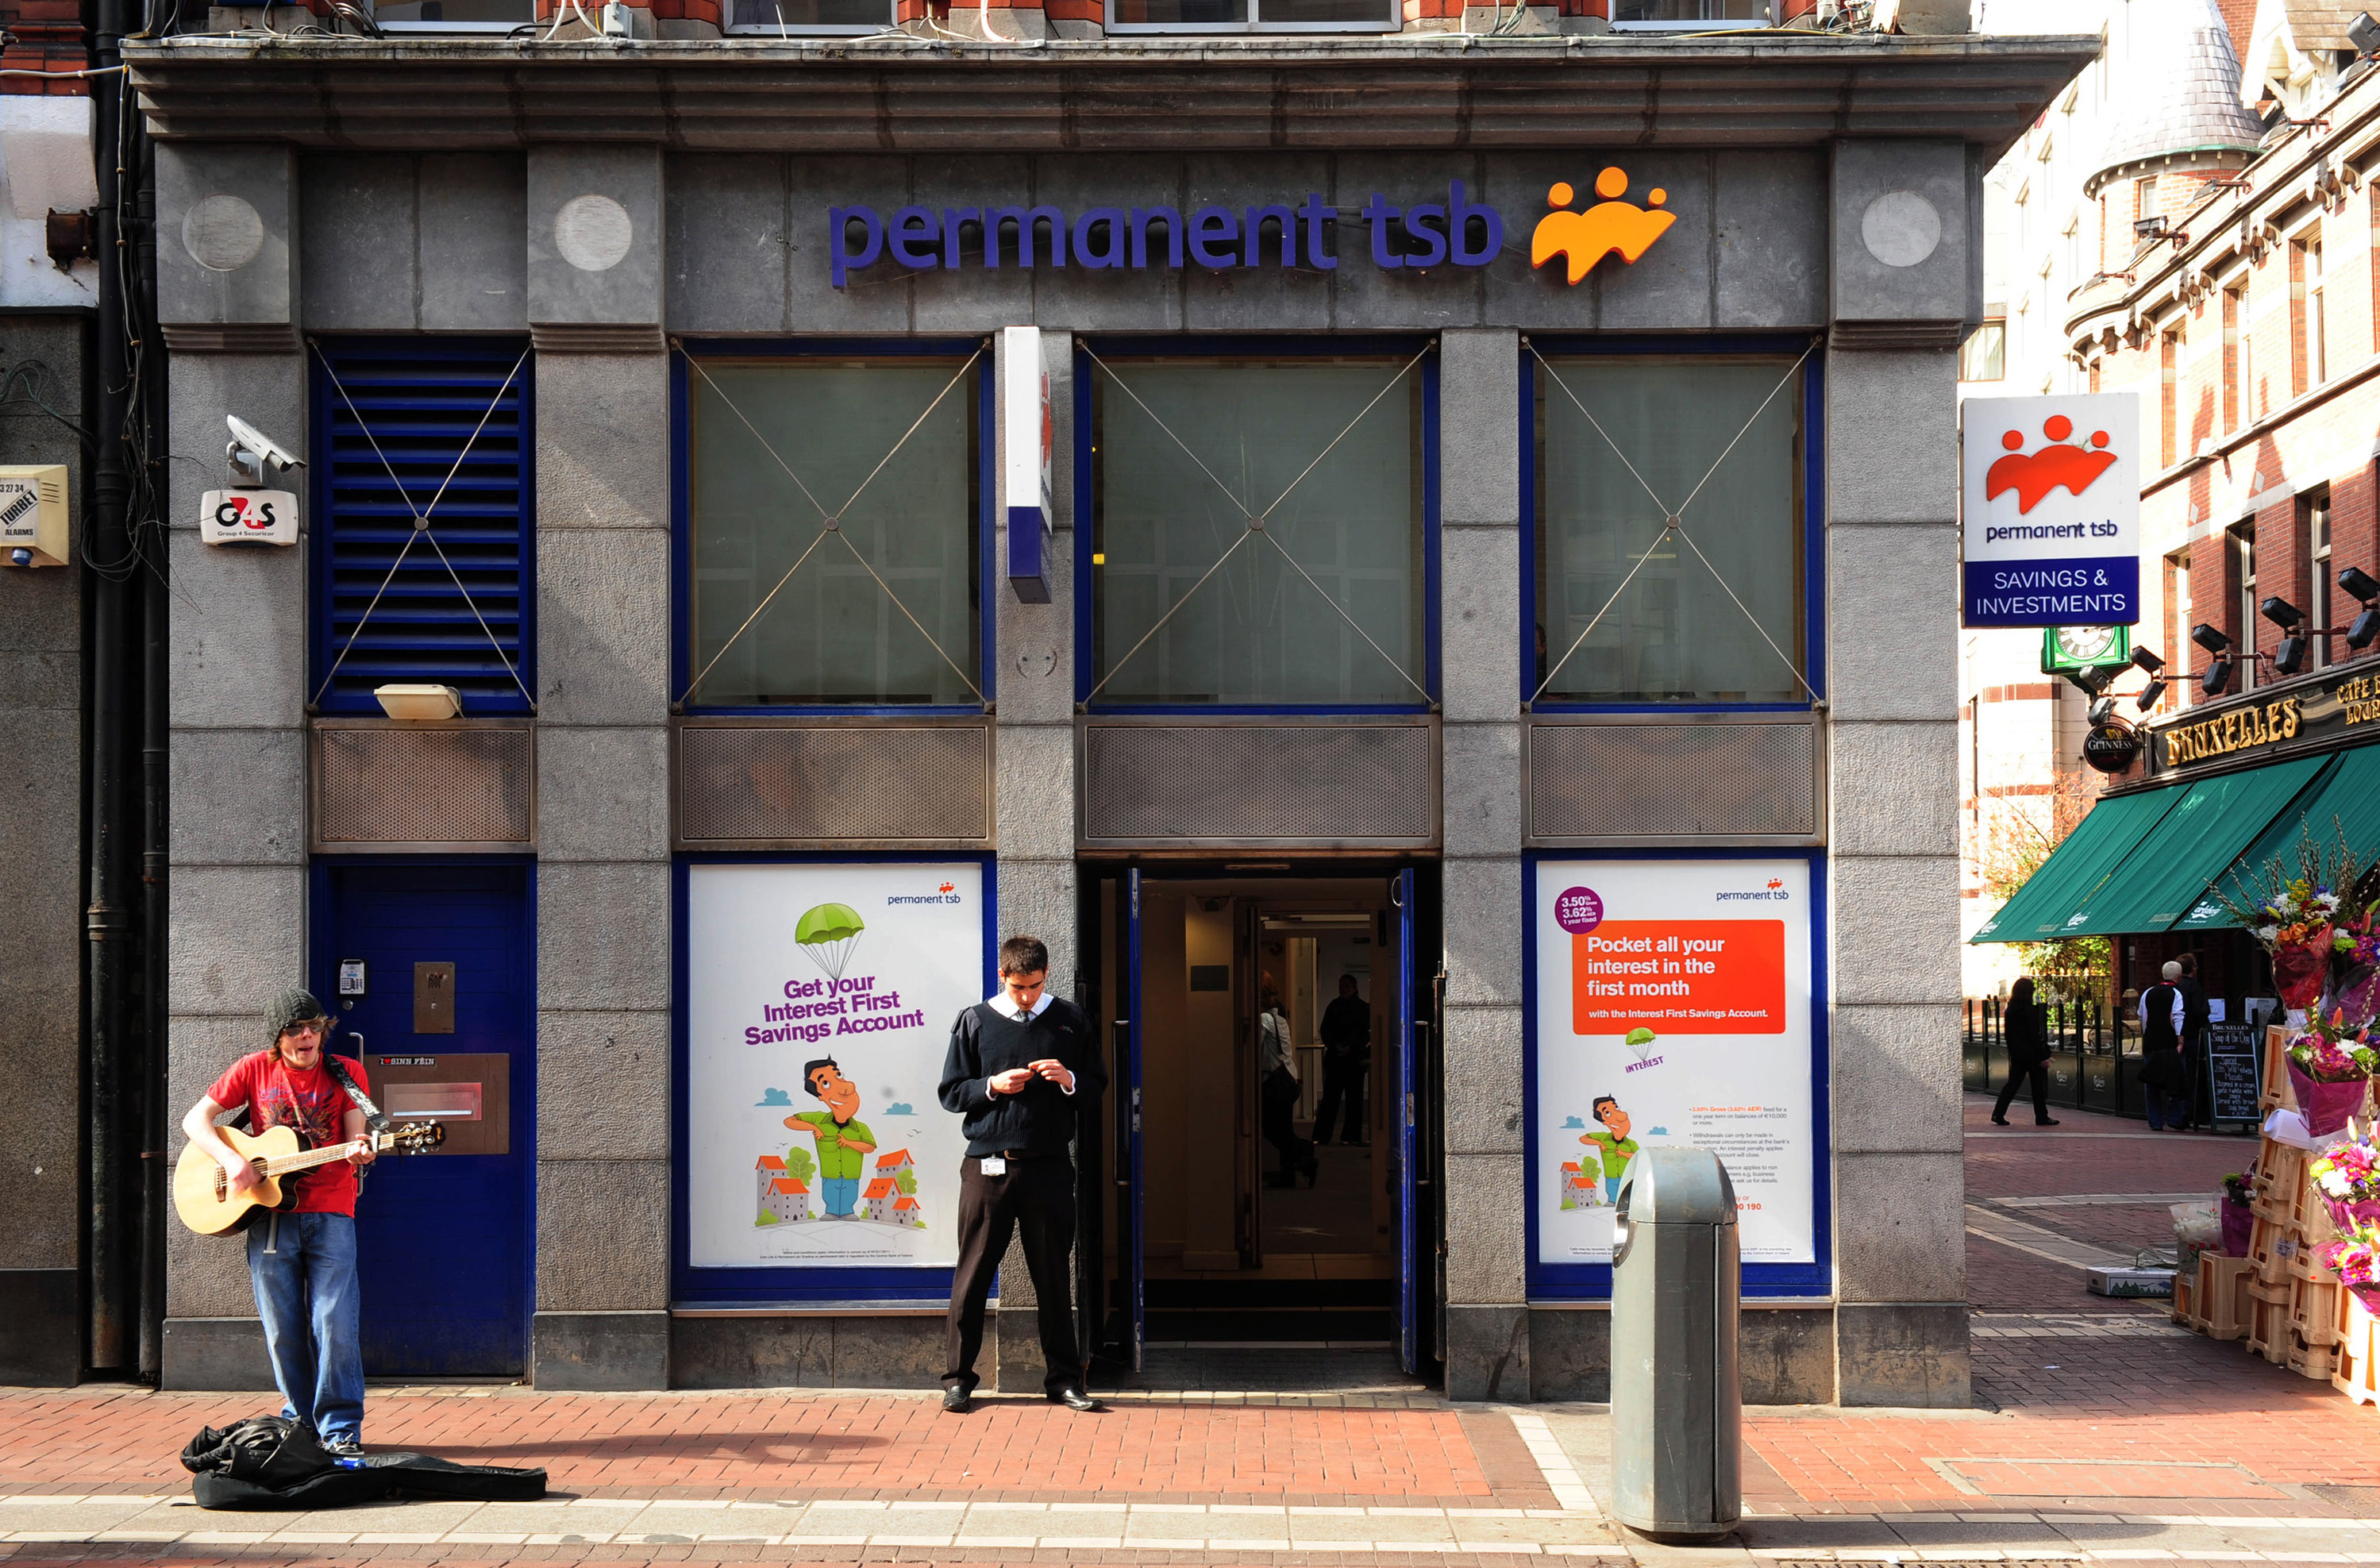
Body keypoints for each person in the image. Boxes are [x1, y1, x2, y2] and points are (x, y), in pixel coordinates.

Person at [179, 988, 375, 1456]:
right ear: (277, 1038)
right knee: (282, 1328)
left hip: (331, 1209)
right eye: (294, 1029)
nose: (306, 1036)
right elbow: (195, 1121)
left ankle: (340, 1429)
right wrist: (231, 1160)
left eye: (313, 1027)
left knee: (335, 1321)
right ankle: (299, 1422)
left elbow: (355, 1137)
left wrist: (362, 1148)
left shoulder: (347, 1073)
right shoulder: (253, 1069)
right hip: (269, 1215)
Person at [938, 935, 1107, 1415]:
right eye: (1018, 988)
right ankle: (958, 1380)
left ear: (1046, 974)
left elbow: (1097, 1084)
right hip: (988, 1167)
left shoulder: (1071, 1020)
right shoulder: (975, 1020)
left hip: (1049, 1166)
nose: (1027, 996)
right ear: (1002, 977)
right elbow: (950, 1092)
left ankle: (1064, 1381)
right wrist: (991, 1086)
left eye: (1033, 986)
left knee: (1053, 1277)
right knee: (971, 1277)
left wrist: (1068, 1079)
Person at [785, 1058, 876, 1219]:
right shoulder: (818, 1119)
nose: (847, 1088)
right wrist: (814, 1128)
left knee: (849, 1191)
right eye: (825, 1083)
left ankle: (848, 1211)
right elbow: (789, 1121)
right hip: (830, 1173)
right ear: (820, 1096)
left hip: (851, 1173)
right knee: (830, 1192)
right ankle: (832, 1211)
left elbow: (870, 1147)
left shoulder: (860, 1128)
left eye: (839, 1075)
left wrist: (849, 1143)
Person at [1257, 986, 1316, 1189]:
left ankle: (1304, 1150)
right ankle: (1288, 1175)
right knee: (1283, 1128)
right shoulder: (1281, 1021)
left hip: (1275, 1082)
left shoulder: (1264, 1020)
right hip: (1289, 1079)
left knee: (1271, 1129)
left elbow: (1255, 1048)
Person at [1989, 977, 2058, 1127]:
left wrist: (2015, 1050)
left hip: (2018, 1053)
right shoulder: (2029, 1010)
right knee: (2037, 1087)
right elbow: (2034, 1035)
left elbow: (2009, 1035)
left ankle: (1998, 1113)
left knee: (2013, 1084)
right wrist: (2044, 1054)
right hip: (2032, 1054)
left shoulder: (2010, 1009)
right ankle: (2041, 1117)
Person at [1314, 974, 1371, 1146]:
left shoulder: (1357, 1008)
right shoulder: (1339, 1006)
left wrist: (1345, 1047)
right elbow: (1325, 1030)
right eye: (1341, 986)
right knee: (1332, 1099)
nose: (1343, 989)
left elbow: (1364, 1033)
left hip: (1350, 1057)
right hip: (1343, 1057)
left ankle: (1347, 1136)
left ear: (1354, 988)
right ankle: (1329, 1136)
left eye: (1346, 986)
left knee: (1351, 1099)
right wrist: (1337, 1046)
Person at [2139, 961, 2190, 1131]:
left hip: (2151, 1043)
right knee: (2174, 1079)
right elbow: (2178, 1017)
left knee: (2151, 1082)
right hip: (2169, 1044)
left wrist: (2147, 1036)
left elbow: (2142, 1017)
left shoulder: (2148, 993)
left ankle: (2155, 1120)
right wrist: (2180, 1040)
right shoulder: (2176, 994)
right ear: (2179, 976)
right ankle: (2175, 1118)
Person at [2175, 953, 2212, 1130]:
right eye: (2195, 965)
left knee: (2182, 1076)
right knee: (2197, 1076)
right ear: (2192, 969)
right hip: (2193, 1038)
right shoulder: (2195, 988)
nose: (2197, 968)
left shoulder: (2176, 988)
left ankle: (2181, 1113)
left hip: (2178, 1037)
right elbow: (2201, 1012)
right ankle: (2198, 1113)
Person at [1581, 1096, 1638, 1204]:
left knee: (1626, 1195)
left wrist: (1624, 1153)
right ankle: (1612, 1202)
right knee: (1612, 1193)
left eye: (1616, 1108)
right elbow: (1583, 1138)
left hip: (1626, 1176)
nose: (1621, 1116)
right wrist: (1599, 1143)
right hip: (1611, 1176)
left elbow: (1637, 1156)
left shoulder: (1631, 1143)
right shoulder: (1603, 1137)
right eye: (1607, 1113)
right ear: (1604, 1122)